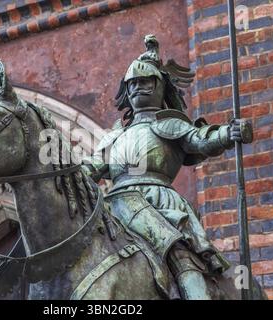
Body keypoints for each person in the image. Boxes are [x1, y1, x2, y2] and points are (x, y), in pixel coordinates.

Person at [82, 35, 253, 299]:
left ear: (160, 86)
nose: (138, 87)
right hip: (115, 206)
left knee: (177, 249)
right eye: (133, 83)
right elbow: (92, 168)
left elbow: (201, 140)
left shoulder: (170, 124)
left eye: (145, 82)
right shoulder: (114, 135)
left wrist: (229, 133)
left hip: (157, 201)